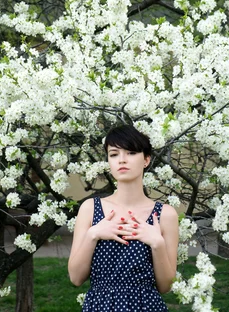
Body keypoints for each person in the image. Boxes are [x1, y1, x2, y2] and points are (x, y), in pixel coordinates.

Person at [68, 125, 179, 311]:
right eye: (114, 154)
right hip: (99, 306)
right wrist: (93, 234)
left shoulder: (165, 215)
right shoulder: (90, 209)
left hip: (146, 306)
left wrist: (156, 243)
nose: (122, 160)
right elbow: (76, 278)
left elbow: (165, 286)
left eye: (131, 152)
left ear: (146, 160)